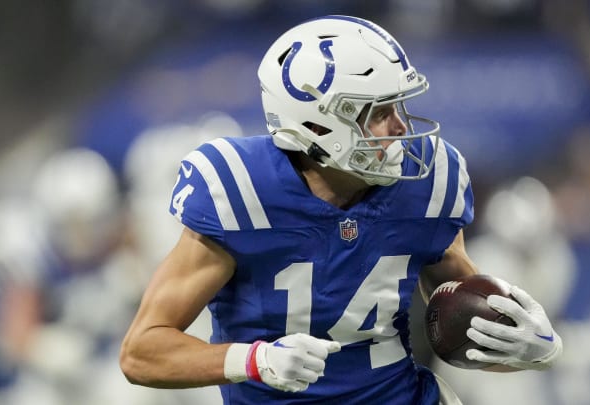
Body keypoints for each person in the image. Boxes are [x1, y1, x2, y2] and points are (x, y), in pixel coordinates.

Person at [119, 15, 563, 404]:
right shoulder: (242, 192)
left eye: (400, 106)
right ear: (317, 123)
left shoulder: (428, 183)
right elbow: (142, 352)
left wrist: (533, 348)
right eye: (378, 111)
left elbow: (461, 325)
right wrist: (255, 360)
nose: (401, 127)